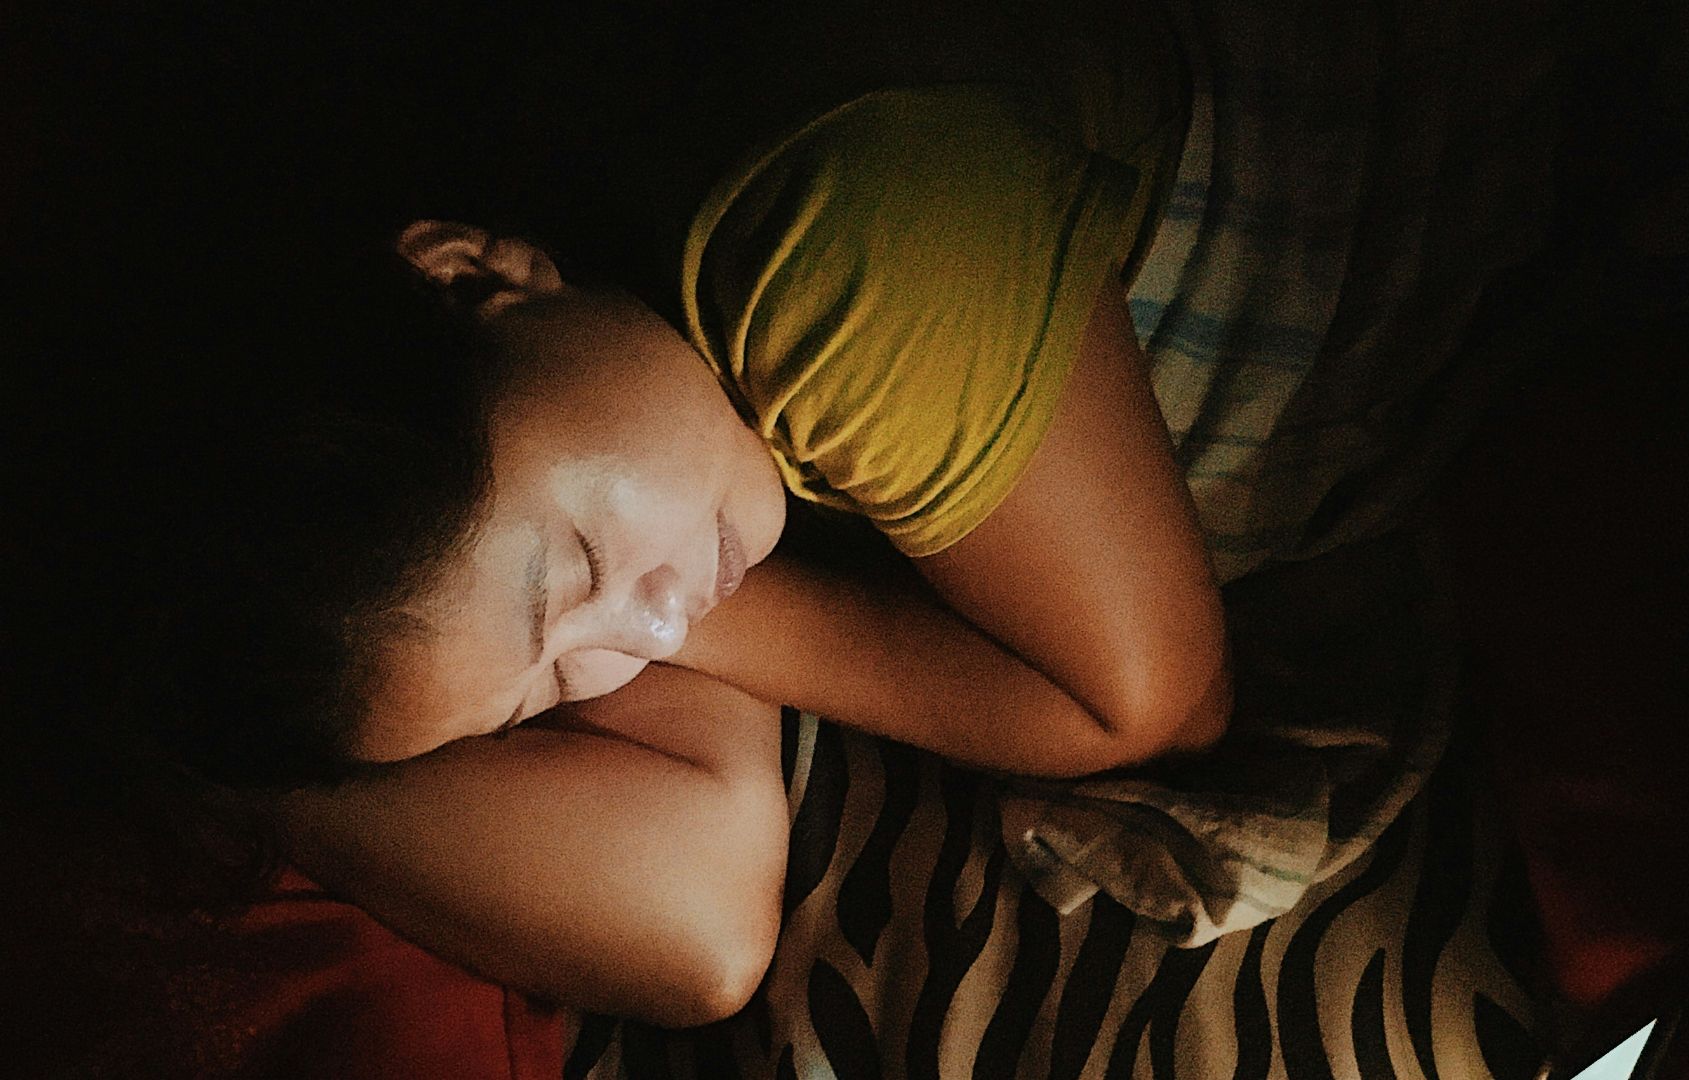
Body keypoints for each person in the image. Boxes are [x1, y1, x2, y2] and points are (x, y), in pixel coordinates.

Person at [11, 0, 1229, 1027]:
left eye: (574, 567)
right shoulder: (604, 417)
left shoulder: (837, 245)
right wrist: (199, 749)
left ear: (471, 272)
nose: (643, 638)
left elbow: (1154, 707)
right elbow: (692, 920)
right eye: (539, 697)